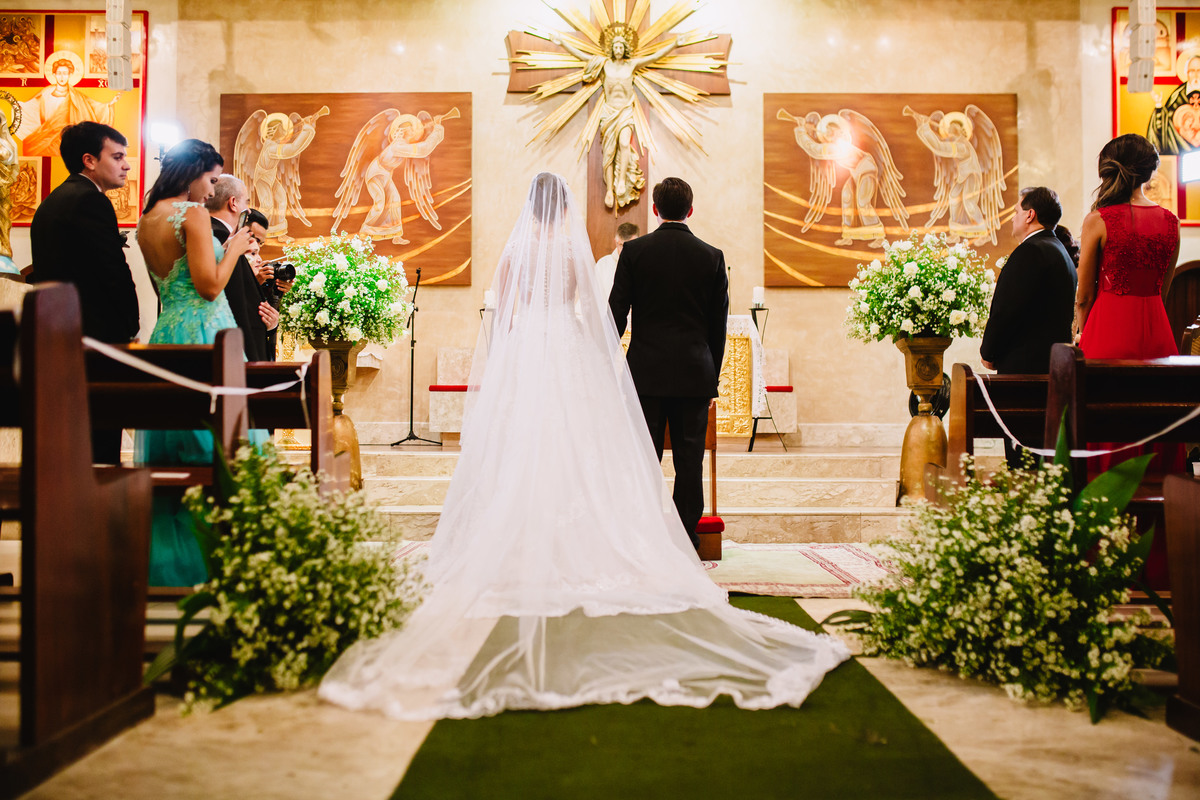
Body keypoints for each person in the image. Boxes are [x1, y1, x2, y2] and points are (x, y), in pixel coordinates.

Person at [319, 173, 848, 720]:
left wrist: (552, 358)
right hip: (621, 359)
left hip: (545, 355)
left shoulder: (542, 252)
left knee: (547, 450)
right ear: (688, 209)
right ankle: (672, 543)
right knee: (628, 456)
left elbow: (529, 315)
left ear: (531, 206)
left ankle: (523, 539)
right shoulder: (609, 255)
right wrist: (612, 362)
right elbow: (614, 316)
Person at [134, 139, 254, 587]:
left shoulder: (146, 220)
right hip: (207, 333)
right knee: (219, 450)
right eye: (211, 178)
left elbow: (167, 288)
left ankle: (173, 562)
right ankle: (222, 561)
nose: (212, 188)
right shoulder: (193, 214)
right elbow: (208, 286)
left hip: (167, 334)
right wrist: (236, 248)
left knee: (174, 452)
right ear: (192, 173)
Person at [1076, 133, 1181, 589]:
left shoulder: (1098, 220)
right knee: (1158, 431)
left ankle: (1101, 556)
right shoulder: (1170, 222)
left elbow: (1083, 294)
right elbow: (1165, 285)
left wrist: (1079, 331)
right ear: (1150, 172)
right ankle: (1157, 563)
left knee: (1105, 431)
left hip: (1108, 330)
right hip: (1156, 329)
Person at [609, 177, 728, 551]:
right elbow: (718, 326)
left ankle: (644, 536)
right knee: (690, 460)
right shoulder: (712, 256)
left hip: (644, 374)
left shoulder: (634, 252)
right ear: (690, 210)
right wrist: (711, 376)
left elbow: (615, 314)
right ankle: (686, 538)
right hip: (694, 374)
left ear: (655, 209)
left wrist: (605, 361)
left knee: (644, 457)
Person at [28, 121, 138, 463]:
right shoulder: (90, 201)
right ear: (89, 160)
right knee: (99, 440)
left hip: (58, 334)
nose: (126, 165)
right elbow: (111, 272)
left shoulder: (54, 200)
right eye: (117, 157)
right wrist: (129, 326)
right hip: (94, 338)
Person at [979, 187, 1078, 467]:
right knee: (1041, 451)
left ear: (1030, 215)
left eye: (1016, 211)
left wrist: (989, 352)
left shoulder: (1031, 252)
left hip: (1024, 368)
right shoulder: (1058, 250)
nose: (1013, 217)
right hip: (1050, 366)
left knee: (1023, 453)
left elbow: (1006, 311)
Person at [551, 24, 679, 209]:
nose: (618, 49)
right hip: (609, 112)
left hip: (625, 110)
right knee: (609, 152)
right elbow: (582, 56)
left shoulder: (631, 65)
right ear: (611, 49)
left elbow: (654, 57)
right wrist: (562, 42)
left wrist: (674, 44)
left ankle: (621, 181)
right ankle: (609, 190)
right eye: (615, 46)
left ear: (624, 48)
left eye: (621, 46)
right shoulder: (604, 64)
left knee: (625, 143)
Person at [205, 174, 275, 361]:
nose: (248, 210)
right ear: (233, 203)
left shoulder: (211, 234)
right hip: (235, 348)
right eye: (246, 202)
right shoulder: (221, 238)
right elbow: (236, 301)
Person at [594, 221, 638, 302]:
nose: (626, 250)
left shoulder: (643, 265)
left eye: (630, 245)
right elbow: (594, 296)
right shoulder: (602, 265)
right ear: (616, 242)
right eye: (621, 245)